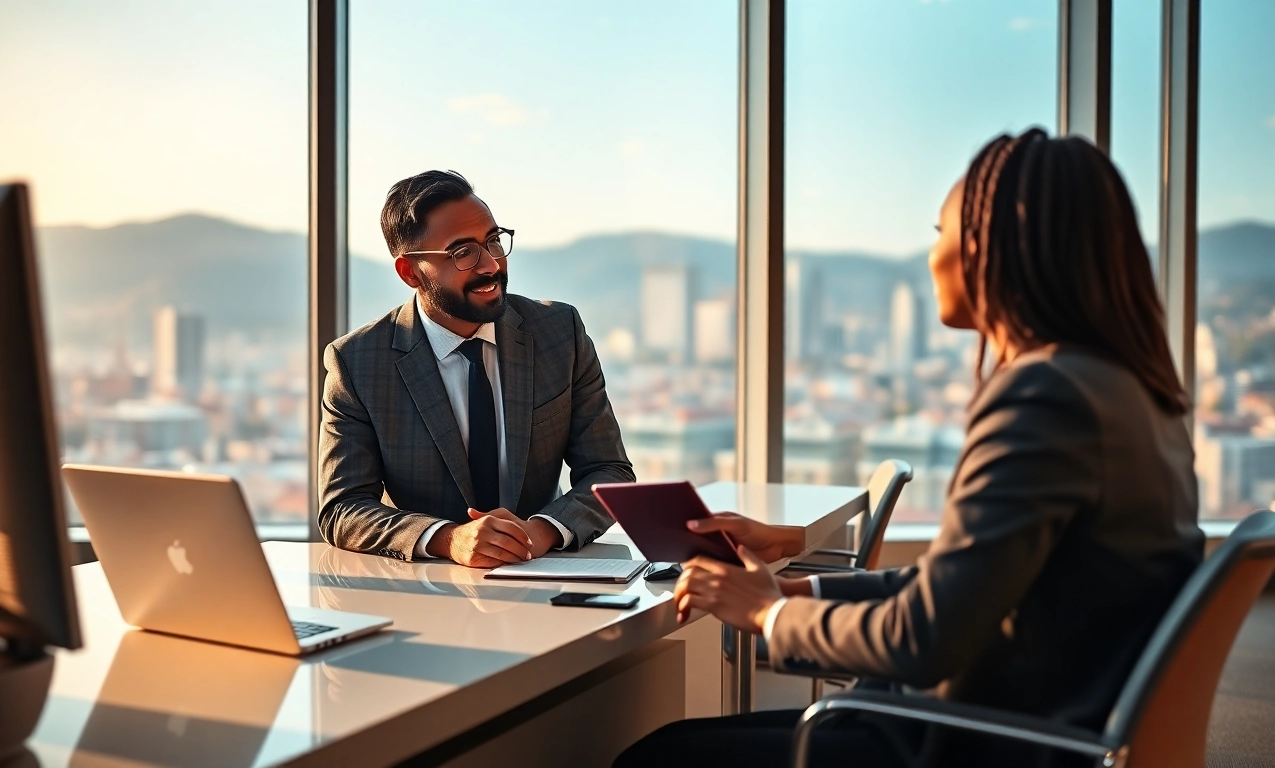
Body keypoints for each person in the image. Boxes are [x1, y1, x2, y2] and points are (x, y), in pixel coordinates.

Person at [615, 129, 1206, 767]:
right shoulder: (1130, 394)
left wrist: (767, 615)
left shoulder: (1045, 397)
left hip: (965, 744)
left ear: (990, 248)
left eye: (941, 231)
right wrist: (793, 593)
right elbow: (949, 588)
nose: (932, 256)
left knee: (656, 759)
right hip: (1024, 727)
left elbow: (924, 637)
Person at [318, 170, 635, 565]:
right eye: (462, 252)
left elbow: (610, 471)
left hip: (543, 574)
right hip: (428, 593)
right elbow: (342, 508)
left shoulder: (558, 333)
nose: (490, 265)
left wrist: (541, 530)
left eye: (493, 241)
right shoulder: (358, 363)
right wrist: (447, 538)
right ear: (410, 272)